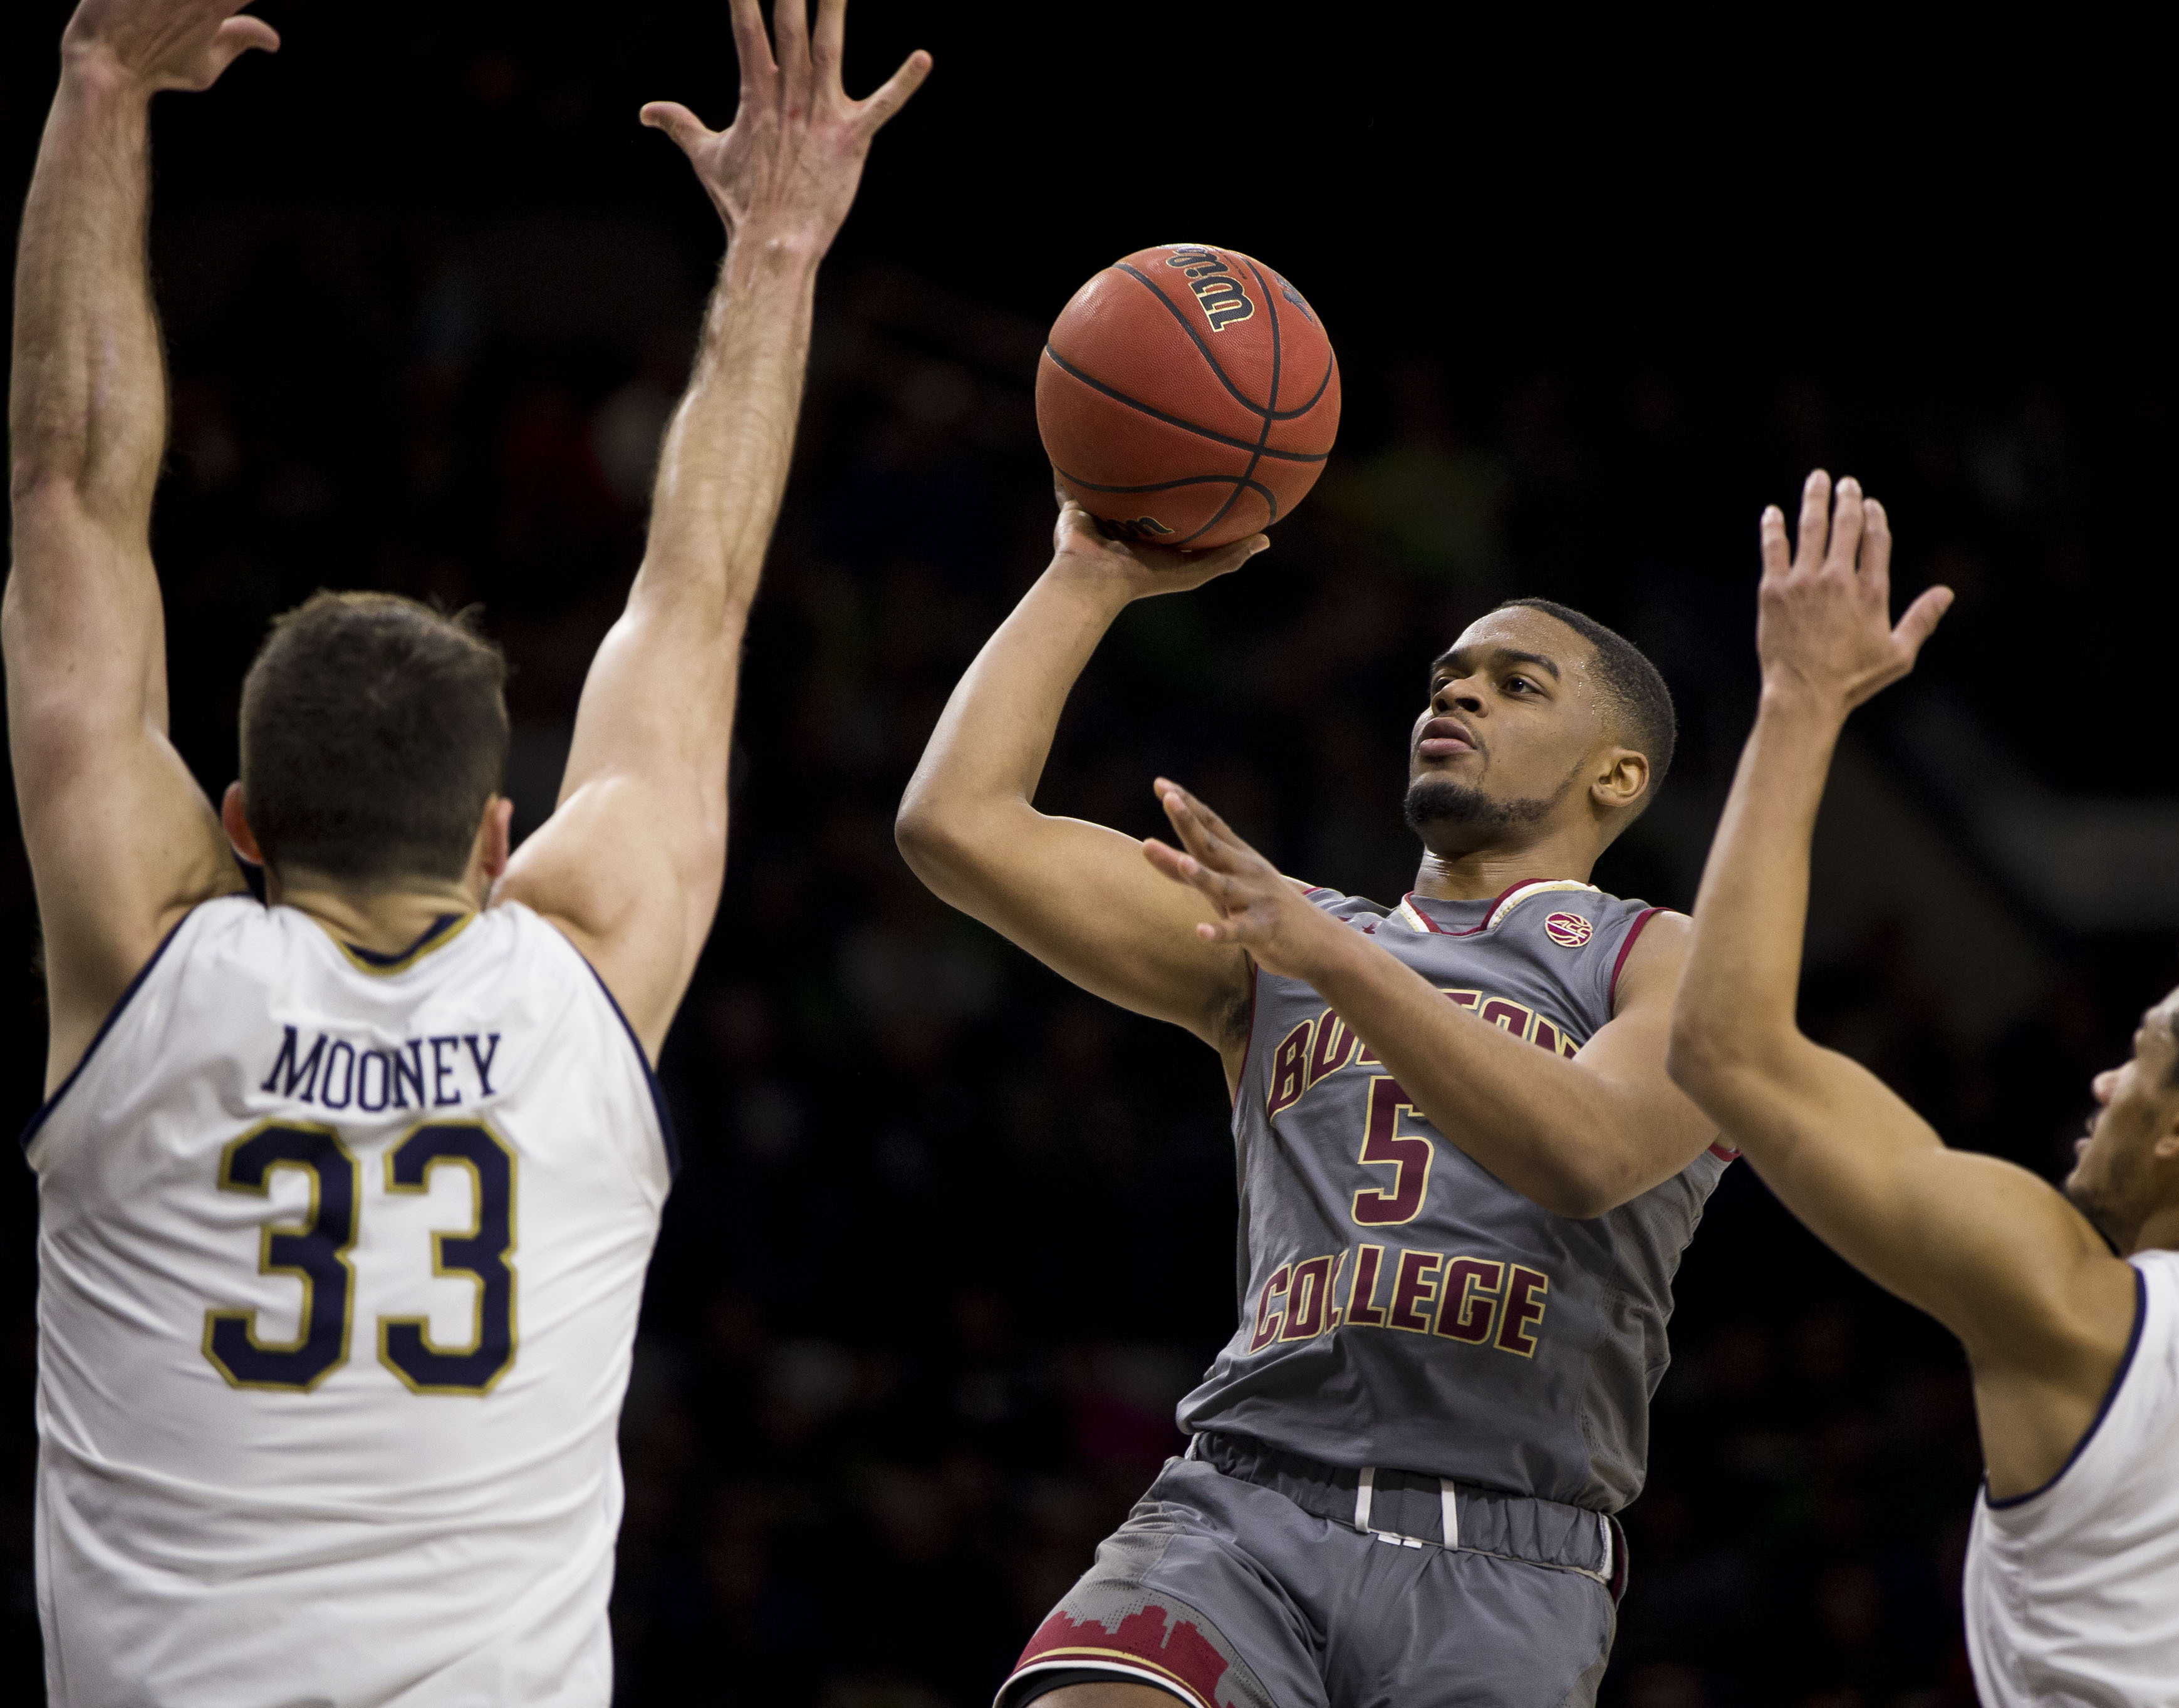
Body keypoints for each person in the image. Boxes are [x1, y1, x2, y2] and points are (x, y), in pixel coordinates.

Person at [4, 0, 927, 1699]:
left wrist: (101, 88)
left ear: (235, 826)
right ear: (503, 836)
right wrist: (781, 249)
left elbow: (69, 490)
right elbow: (695, 599)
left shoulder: (148, 954)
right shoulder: (588, 961)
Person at [1663, 422, 2179, 1707]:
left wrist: (1798, 705)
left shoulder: (2079, 1313)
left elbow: (1725, 1047)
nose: (2103, 1081)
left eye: (2139, 1056)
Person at [897, 497, 1732, 1707]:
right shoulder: (1282, 936)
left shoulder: (1659, 960)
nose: (1456, 697)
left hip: (1508, 1556)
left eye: (1515, 683)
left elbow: (1587, 1152)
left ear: (1618, 773)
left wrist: (1330, 959)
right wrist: (1087, 575)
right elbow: (954, 826)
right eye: (1447, 679)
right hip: (1240, 1508)